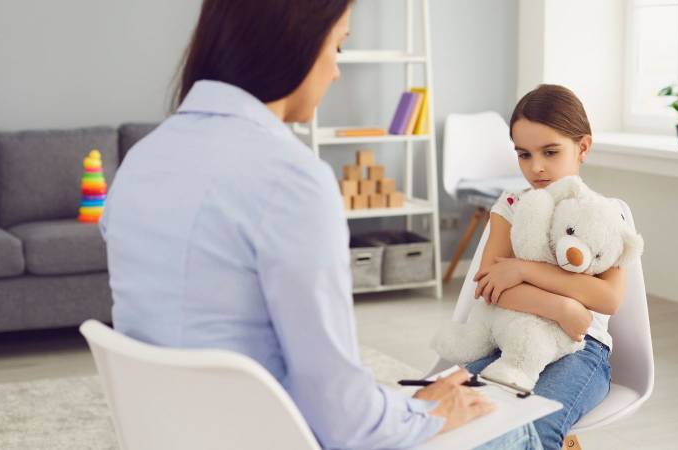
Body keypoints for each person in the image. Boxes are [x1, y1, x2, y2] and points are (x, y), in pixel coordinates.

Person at [100, 1, 541, 448]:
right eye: (338, 46)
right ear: (298, 43)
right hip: (269, 435)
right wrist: (425, 412)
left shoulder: (142, 160)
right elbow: (344, 420)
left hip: (181, 432)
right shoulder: (290, 179)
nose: (336, 72)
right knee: (508, 425)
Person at [468, 84, 626, 449]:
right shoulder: (510, 206)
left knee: (534, 427)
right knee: (450, 415)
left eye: (550, 152)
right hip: (508, 342)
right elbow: (491, 287)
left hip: (581, 348)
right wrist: (563, 306)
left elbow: (608, 299)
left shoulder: (604, 213)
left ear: (582, 147)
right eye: (524, 154)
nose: (535, 167)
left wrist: (524, 271)